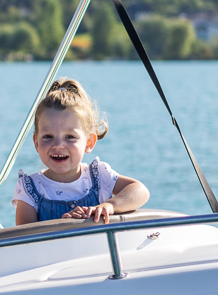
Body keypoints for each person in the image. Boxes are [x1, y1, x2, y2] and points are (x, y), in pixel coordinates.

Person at [13, 78, 148, 225]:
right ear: (36, 142)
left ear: (89, 142)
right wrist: (62, 226)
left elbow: (140, 191)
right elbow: (24, 238)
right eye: (48, 137)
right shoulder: (30, 188)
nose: (58, 145)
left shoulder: (98, 176)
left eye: (69, 137)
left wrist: (110, 206)